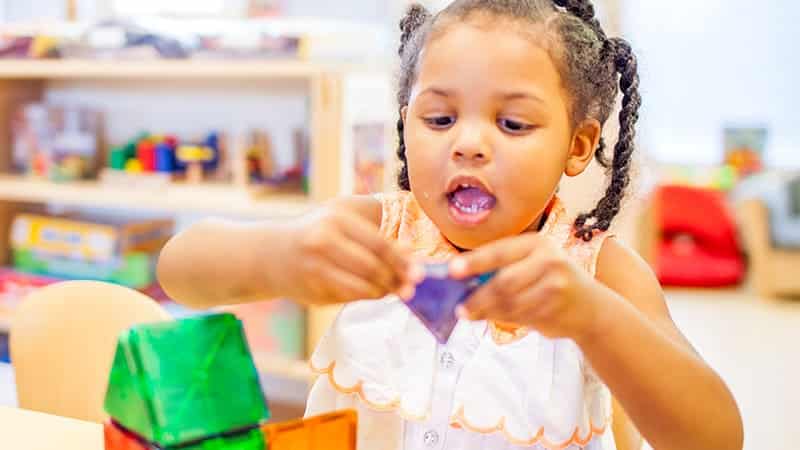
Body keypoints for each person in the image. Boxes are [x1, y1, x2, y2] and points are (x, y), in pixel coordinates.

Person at [157, 1, 743, 449]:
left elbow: (714, 436)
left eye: (512, 124)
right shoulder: (377, 227)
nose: (467, 144)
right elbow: (178, 270)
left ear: (579, 145)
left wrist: (593, 318)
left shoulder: (597, 270)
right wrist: (275, 257)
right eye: (439, 118)